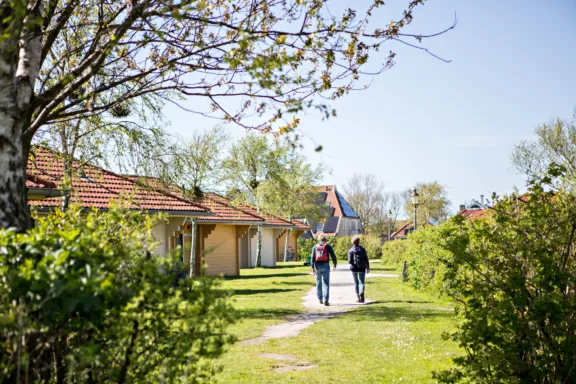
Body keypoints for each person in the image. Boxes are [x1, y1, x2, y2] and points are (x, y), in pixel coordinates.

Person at [311, 234, 337, 306]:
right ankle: (326, 299)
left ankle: (320, 299)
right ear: (325, 239)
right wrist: (334, 264)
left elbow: (312, 257)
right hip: (325, 265)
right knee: (326, 283)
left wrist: (312, 267)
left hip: (317, 265)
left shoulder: (315, 247)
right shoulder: (328, 246)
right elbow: (333, 255)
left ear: (319, 239)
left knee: (318, 283)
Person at [348, 235, 370, 303]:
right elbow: (366, 259)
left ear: (353, 242)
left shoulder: (350, 250)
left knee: (356, 282)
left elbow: (349, 261)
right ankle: (362, 294)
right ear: (359, 242)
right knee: (361, 282)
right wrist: (368, 267)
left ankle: (357, 296)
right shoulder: (362, 249)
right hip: (362, 268)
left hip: (354, 268)